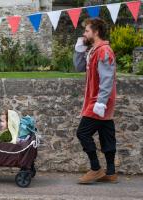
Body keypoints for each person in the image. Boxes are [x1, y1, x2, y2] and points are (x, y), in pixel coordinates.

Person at [73, 18, 117, 184]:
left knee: (83, 133)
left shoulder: (103, 51)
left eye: (86, 31)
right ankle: (111, 172)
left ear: (96, 32)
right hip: (98, 100)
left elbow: (107, 79)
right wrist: (80, 48)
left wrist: (101, 102)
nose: (84, 33)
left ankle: (95, 168)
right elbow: (78, 67)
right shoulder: (93, 50)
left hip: (99, 101)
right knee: (107, 133)